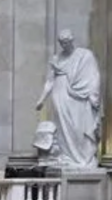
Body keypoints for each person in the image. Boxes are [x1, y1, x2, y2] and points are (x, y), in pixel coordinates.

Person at [34, 28, 103, 168]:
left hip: (80, 96)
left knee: (78, 127)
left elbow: (94, 76)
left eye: (66, 41)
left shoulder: (85, 55)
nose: (64, 45)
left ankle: (83, 158)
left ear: (72, 40)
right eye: (61, 42)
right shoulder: (56, 59)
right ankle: (66, 156)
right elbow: (50, 81)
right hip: (60, 94)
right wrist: (41, 100)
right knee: (63, 127)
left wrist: (93, 96)